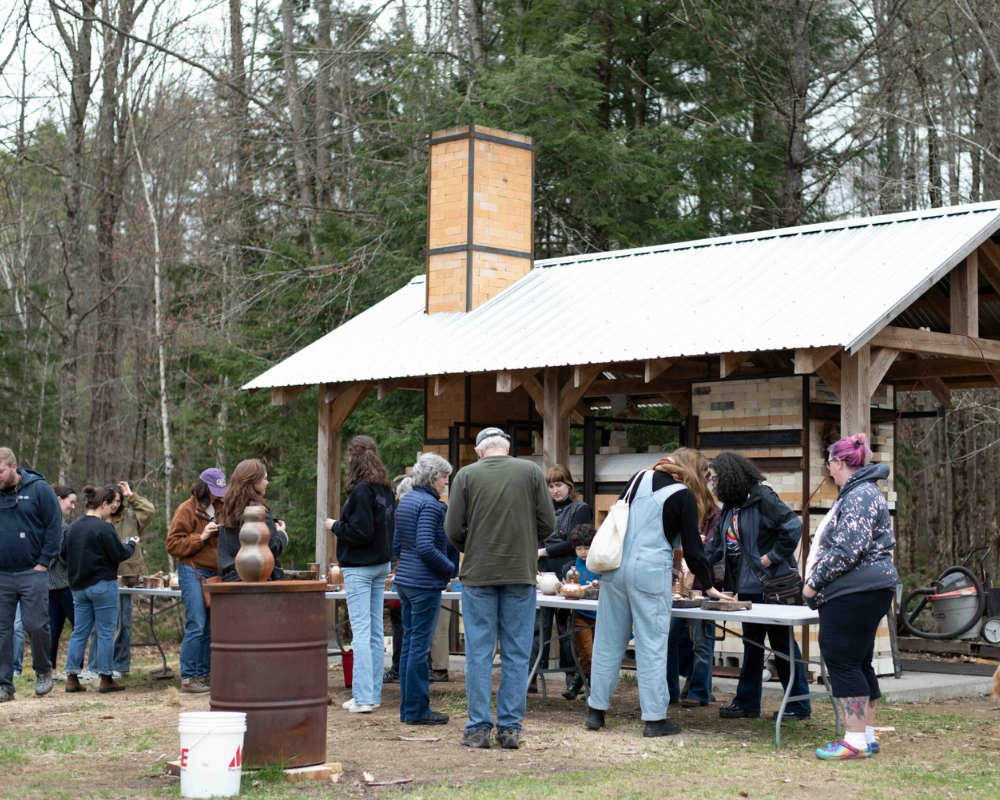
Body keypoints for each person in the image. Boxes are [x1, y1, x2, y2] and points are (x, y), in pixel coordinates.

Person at [585, 455, 726, 738]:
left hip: (614, 568)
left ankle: (595, 711)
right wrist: (708, 585)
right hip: (650, 573)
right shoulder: (683, 496)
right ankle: (654, 718)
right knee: (652, 644)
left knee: (607, 640)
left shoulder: (636, 478)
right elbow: (693, 548)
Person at [445, 427, 556, 750]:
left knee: (478, 653)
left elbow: (452, 529)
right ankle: (510, 728)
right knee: (516, 653)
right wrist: (523, 539)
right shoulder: (531, 472)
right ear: (507, 448)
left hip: (478, 573)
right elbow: (548, 524)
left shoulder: (465, 476)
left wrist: (475, 543)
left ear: (480, 451)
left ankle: (478, 728)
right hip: (520, 572)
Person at [805, 434, 898, 760]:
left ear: (839, 462)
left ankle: (854, 740)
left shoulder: (859, 495)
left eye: (829, 462)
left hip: (854, 590)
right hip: (871, 588)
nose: (827, 468)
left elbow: (847, 551)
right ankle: (867, 737)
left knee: (842, 659)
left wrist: (812, 584)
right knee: (859, 660)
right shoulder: (866, 491)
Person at [705, 451, 812, 721]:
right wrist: (692, 563)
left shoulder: (763, 497)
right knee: (752, 645)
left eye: (715, 478)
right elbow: (716, 547)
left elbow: (793, 526)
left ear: (729, 477)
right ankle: (747, 704)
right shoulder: (729, 507)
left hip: (774, 585)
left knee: (782, 644)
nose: (712, 484)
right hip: (748, 588)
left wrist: (774, 555)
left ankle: (799, 705)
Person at [324, 435, 395, 714]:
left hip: (361, 568)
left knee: (363, 633)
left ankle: (364, 697)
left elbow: (361, 532)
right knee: (376, 632)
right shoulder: (385, 489)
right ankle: (372, 694)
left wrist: (335, 526)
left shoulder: (362, 490)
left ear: (353, 458)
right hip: (381, 565)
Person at [393, 453, 460, 725]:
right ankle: (417, 711)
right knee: (419, 649)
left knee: (409, 646)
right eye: (445, 477)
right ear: (434, 478)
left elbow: (397, 544)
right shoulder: (431, 505)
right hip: (424, 584)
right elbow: (425, 546)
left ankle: (408, 709)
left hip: (406, 582)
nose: (446, 482)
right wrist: (449, 569)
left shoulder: (407, 499)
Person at [62, 485, 138, 694]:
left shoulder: (72, 528)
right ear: (103, 504)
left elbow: (62, 555)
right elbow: (119, 554)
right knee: (105, 632)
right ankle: (106, 678)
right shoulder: (104, 528)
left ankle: (71, 677)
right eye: (111, 505)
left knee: (79, 632)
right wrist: (131, 544)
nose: (113, 509)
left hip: (78, 588)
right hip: (103, 585)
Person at [0, 447, 61, 702]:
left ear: (14, 467)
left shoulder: (39, 490)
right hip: (3, 575)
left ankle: (43, 671)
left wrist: (44, 562)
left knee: (36, 625)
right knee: (2, 630)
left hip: (32, 571)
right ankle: (4, 685)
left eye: (0, 471)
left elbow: (54, 526)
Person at [81, 481, 154, 682]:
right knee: (100, 626)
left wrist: (132, 496)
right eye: (111, 501)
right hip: (101, 577)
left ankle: (120, 665)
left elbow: (149, 511)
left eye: (118, 500)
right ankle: (95, 666)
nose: (115, 504)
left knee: (125, 622)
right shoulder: (96, 519)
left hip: (127, 577)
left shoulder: (129, 516)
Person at [666, 448, 721, 708]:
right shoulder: (680, 502)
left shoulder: (716, 516)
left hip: (702, 586)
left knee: (702, 642)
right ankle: (669, 690)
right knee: (671, 639)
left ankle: (700, 692)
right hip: (678, 587)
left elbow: (713, 548)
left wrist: (699, 543)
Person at [530, 464, 592, 694]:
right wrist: (537, 555)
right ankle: (533, 675)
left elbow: (576, 541)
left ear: (569, 485)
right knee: (539, 625)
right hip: (543, 571)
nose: (555, 490)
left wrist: (544, 551)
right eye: (550, 486)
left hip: (569, 570)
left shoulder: (580, 508)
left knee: (566, 626)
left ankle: (570, 677)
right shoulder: (542, 509)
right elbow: (535, 535)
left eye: (559, 485)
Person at [166, 468, 227, 693]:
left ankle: (205, 674)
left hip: (213, 573)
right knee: (197, 623)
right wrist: (201, 537)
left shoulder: (221, 508)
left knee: (211, 626)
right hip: (191, 570)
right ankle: (189, 677)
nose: (215, 495)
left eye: (219, 491)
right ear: (202, 488)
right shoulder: (187, 509)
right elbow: (172, 544)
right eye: (212, 491)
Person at [218, 459, 288, 582]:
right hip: (255, 583)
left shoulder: (229, 510)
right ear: (253, 481)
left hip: (230, 582)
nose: (267, 482)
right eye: (265, 478)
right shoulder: (257, 514)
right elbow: (268, 551)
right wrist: (281, 534)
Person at [560, 523, 599, 700]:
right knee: (587, 652)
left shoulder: (600, 565)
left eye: (587, 548)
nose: (583, 552)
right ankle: (590, 688)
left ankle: (578, 684)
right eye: (579, 548)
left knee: (597, 654)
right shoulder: (570, 568)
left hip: (600, 615)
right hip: (580, 615)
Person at [383, 477, 413, 685]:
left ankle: (398, 668)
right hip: (405, 571)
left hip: (401, 571)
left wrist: (393, 568)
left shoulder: (398, 515)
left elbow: (394, 544)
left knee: (400, 622)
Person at [48, 484, 77, 681]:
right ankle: (75, 671)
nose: (73, 506)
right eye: (71, 502)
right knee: (78, 627)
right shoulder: (59, 527)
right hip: (62, 587)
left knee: (53, 629)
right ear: (59, 500)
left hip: (51, 587)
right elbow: (58, 558)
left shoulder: (50, 524)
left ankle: (53, 671)